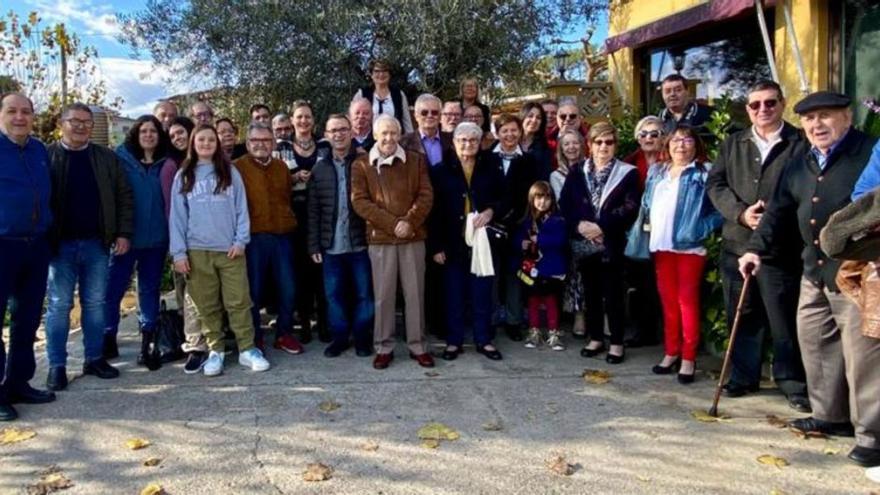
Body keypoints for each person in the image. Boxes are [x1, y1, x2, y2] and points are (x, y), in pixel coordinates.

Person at [739, 91, 880, 468]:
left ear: (847, 117)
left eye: (825, 116)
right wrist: (755, 249)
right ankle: (829, 416)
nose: (817, 125)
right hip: (814, 269)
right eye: (809, 118)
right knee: (815, 342)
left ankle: (872, 435)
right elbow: (779, 210)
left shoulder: (868, 151)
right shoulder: (800, 159)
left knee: (863, 358)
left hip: (859, 273)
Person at [707, 80, 810, 410]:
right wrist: (740, 213)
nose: (762, 110)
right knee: (743, 312)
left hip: (780, 246)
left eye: (770, 103)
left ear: (782, 103)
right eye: (755, 105)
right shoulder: (733, 143)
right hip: (737, 242)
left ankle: (791, 381)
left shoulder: (799, 142)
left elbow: (807, 189)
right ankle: (743, 376)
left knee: (783, 317)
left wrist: (769, 219)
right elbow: (716, 184)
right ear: (747, 108)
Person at [44, 103, 134, 390]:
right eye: (74, 121)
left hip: (97, 244)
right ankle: (56, 365)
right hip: (59, 246)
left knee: (95, 304)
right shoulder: (46, 156)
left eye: (86, 121)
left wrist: (122, 232)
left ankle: (94, 358)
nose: (81, 126)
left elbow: (123, 196)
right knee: (59, 306)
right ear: (61, 123)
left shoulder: (105, 158)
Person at [170, 125, 270, 376]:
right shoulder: (184, 174)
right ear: (193, 143)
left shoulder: (230, 171)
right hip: (197, 251)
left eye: (210, 140)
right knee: (207, 304)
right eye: (201, 139)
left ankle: (247, 349)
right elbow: (177, 217)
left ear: (217, 143)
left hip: (230, 251)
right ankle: (216, 351)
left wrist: (240, 240)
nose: (206, 143)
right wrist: (179, 253)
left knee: (238, 301)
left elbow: (241, 209)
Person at [638, 125, 722, 384]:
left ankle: (688, 357)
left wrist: (700, 228)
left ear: (695, 145)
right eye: (675, 140)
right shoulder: (657, 171)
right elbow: (647, 203)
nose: (680, 145)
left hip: (689, 247)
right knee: (668, 301)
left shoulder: (703, 173)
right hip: (661, 245)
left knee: (687, 301)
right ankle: (671, 351)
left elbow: (720, 209)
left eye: (686, 140)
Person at [351, 114, 434, 369]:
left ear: (400, 135)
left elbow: (426, 194)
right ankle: (384, 347)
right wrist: (392, 224)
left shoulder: (416, 161)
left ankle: (417, 346)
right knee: (383, 296)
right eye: (383, 133)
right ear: (375, 135)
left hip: (412, 236)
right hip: (381, 240)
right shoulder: (362, 165)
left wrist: (408, 222)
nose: (388, 138)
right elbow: (360, 201)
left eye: (393, 133)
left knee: (415, 295)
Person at [559, 122, 639, 364]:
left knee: (613, 294)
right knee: (591, 292)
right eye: (598, 142)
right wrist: (580, 226)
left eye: (609, 142)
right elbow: (565, 204)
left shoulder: (628, 173)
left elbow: (631, 207)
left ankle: (615, 342)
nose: (604, 146)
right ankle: (595, 338)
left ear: (615, 145)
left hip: (611, 242)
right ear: (590, 145)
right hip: (584, 243)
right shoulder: (577, 172)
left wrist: (602, 226)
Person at [0, 93, 56, 421]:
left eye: (26, 112)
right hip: (2, 243)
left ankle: (19, 381)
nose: (20, 117)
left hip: (35, 245)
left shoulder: (37, 150)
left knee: (27, 318)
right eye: (12, 111)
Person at [429, 121, 503, 361]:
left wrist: (491, 211)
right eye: (462, 140)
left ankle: (484, 340)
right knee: (454, 293)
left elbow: (504, 198)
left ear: (480, 143)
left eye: (473, 140)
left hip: (483, 241)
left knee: (482, 292)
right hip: (453, 241)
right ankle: (454, 341)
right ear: (454, 142)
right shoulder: (440, 170)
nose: (467, 144)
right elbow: (434, 211)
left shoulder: (491, 166)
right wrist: (436, 246)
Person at [308, 114, 374, 358]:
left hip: (360, 244)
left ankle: (362, 338)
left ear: (351, 133)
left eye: (343, 129)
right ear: (326, 135)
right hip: (331, 245)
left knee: (364, 294)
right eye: (333, 130)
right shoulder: (320, 168)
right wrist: (313, 244)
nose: (338, 134)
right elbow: (313, 210)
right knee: (334, 297)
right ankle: (339, 338)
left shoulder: (365, 162)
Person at [106, 115, 170, 367]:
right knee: (114, 289)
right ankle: (108, 334)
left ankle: (147, 340)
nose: (148, 135)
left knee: (149, 290)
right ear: (135, 133)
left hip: (156, 239)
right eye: (143, 130)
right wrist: (116, 233)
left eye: (153, 131)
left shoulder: (166, 163)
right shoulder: (121, 159)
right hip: (126, 239)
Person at [234, 123, 302, 355]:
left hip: (283, 235)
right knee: (254, 290)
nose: (261, 145)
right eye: (255, 141)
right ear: (247, 143)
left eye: (266, 140)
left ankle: (284, 334)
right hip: (253, 237)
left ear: (273, 143)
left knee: (288, 287)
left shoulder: (281, 167)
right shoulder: (237, 168)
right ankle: (255, 336)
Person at [158, 116, 209, 373]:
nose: (178, 138)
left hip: (210, 243)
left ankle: (211, 342)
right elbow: (173, 211)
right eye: (173, 135)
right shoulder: (172, 168)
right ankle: (191, 344)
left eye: (182, 133)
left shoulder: (207, 164)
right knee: (188, 297)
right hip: (185, 242)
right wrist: (179, 248)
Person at [486, 114, 539, 342]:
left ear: (520, 132)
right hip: (490, 225)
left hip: (518, 226)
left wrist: (525, 224)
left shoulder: (529, 161)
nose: (509, 135)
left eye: (513, 130)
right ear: (497, 133)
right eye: (504, 130)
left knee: (514, 275)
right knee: (491, 274)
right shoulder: (486, 159)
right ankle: (489, 320)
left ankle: (513, 320)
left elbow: (532, 196)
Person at [621, 116, 666, 348]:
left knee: (663, 283)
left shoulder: (670, 162)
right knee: (640, 282)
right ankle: (642, 331)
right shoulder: (629, 163)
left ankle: (666, 331)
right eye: (644, 134)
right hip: (637, 233)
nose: (648, 138)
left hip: (665, 231)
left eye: (654, 133)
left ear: (664, 137)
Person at [288, 100, 331, 343]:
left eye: (307, 117)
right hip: (295, 217)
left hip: (322, 213)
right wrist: (293, 178)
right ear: (292, 120)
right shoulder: (282, 146)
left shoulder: (324, 146)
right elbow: (277, 179)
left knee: (321, 273)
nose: (303, 121)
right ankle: (304, 323)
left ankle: (324, 324)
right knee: (300, 274)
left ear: (314, 121)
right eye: (299, 117)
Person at [518, 181, 567, 351]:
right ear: (532, 199)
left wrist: (541, 240)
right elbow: (519, 237)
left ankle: (554, 332)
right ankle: (534, 331)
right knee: (533, 301)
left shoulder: (557, 219)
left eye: (547, 198)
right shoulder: (527, 220)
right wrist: (522, 243)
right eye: (538, 198)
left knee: (551, 301)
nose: (542, 202)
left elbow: (561, 240)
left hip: (552, 268)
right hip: (533, 269)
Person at [551, 130, 587, 337]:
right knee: (576, 273)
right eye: (567, 144)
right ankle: (579, 314)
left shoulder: (592, 167)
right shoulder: (556, 175)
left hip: (595, 227)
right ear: (561, 149)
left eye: (575, 143)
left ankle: (604, 315)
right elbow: (561, 204)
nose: (572, 147)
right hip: (571, 227)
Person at [353, 59, 414, 134]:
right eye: (377, 71)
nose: (381, 74)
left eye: (385, 71)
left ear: (389, 74)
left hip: (393, 140)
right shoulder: (362, 94)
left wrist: (411, 141)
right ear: (371, 75)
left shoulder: (399, 95)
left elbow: (406, 121)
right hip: (367, 143)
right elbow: (353, 120)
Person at [400, 94, 453, 167]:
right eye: (424, 113)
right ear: (416, 116)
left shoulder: (452, 141)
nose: (430, 115)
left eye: (434, 112)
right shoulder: (403, 143)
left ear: (440, 116)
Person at [658, 74, 713, 140]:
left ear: (687, 91)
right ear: (662, 95)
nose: (672, 94)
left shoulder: (708, 114)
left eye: (678, 90)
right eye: (667, 91)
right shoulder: (659, 118)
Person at [547, 100, 588, 170]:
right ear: (557, 118)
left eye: (572, 116)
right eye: (563, 116)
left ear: (580, 118)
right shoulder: (546, 139)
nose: (568, 119)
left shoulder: (590, 138)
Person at [519, 101, 552, 180]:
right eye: (530, 116)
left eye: (538, 118)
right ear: (523, 117)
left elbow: (545, 176)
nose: (534, 120)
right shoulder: (511, 142)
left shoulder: (543, 147)